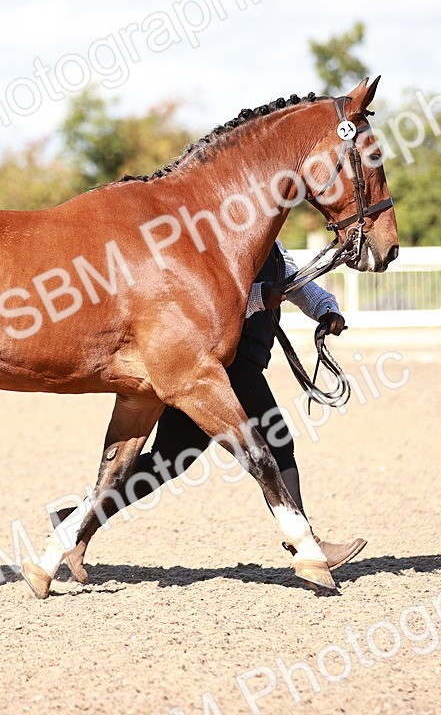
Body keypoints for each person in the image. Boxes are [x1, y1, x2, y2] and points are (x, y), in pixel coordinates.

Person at [53, 239, 367, 582]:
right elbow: (205, 300)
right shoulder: (220, 240)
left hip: (227, 367)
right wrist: (261, 296)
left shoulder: (271, 244)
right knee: (277, 443)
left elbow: (297, 285)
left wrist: (326, 309)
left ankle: (74, 522)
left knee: (169, 461)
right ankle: (308, 546)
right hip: (222, 368)